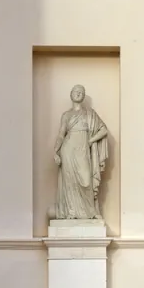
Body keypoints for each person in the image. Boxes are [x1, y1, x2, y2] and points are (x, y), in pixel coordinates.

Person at [53, 84, 109, 220]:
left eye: (81, 92)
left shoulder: (90, 114)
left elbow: (104, 130)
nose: (78, 93)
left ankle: (91, 212)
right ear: (71, 95)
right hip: (68, 150)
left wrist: (90, 140)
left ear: (83, 96)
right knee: (70, 182)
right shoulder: (66, 115)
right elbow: (61, 134)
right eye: (76, 91)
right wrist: (55, 151)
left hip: (83, 150)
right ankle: (71, 212)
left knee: (86, 181)